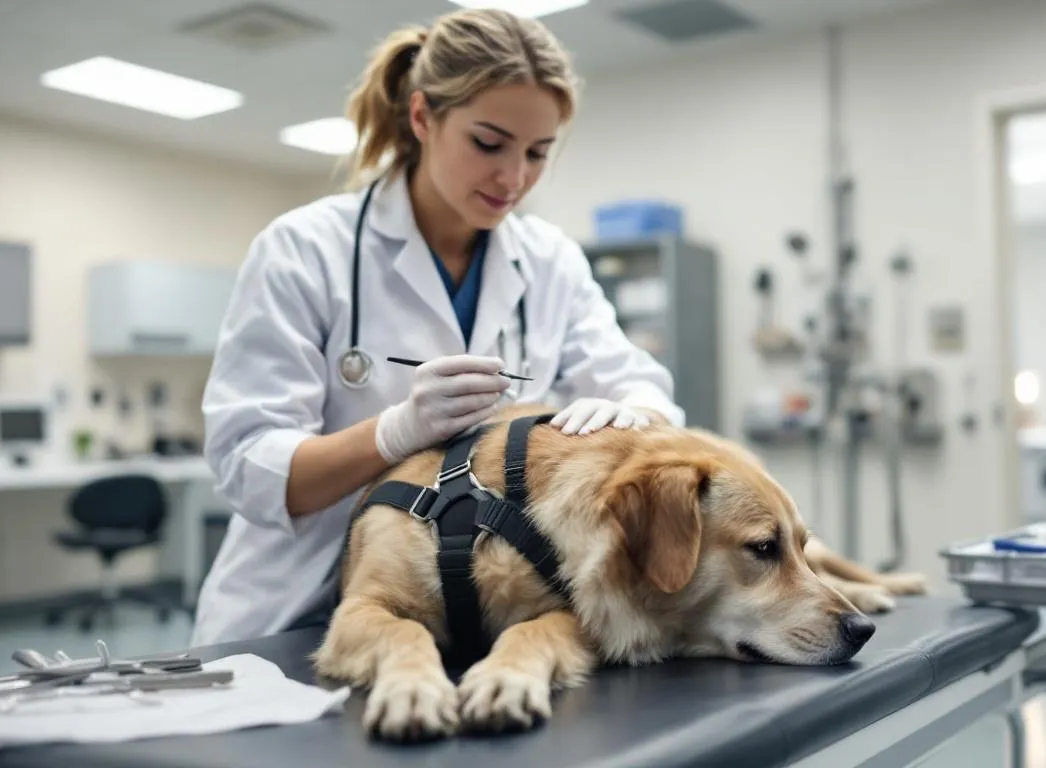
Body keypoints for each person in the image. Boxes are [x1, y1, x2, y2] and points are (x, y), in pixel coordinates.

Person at [191, 8, 684, 647]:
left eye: (538, 153)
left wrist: (629, 415)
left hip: (465, 608)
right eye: (488, 143)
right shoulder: (305, 248)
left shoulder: (549, 260)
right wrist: (395, 432)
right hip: (293, 611)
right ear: (422, 117)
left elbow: (642, 386)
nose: (514, 178)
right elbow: (249, 466)